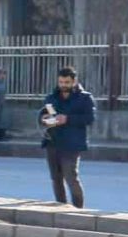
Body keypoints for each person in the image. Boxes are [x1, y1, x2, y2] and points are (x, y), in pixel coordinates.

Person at [39, 65, 94, 207]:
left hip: (72, 144)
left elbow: (89, 118)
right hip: (53, 142)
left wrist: (68, 119)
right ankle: (60, 207)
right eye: (61, 82)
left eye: (67, 83)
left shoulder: (84, 98)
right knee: (56, 179)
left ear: (74, 82)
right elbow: (45, 115)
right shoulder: (51, 97)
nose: (64, 86)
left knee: (71, 177)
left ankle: (78, 210)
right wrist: (45, 119)